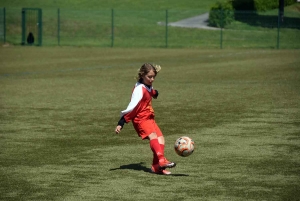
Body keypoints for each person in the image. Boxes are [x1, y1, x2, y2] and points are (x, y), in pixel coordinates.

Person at [115, 63, 176, 175]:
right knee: (153, 136)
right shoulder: (139, 90)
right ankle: (161, 160)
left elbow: (149, 91)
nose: (152, 79)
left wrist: (154, 93)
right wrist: (121, 122)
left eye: (154, 77)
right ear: (142, 75)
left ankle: (156, 166)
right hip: (140, 119)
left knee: (161, 139)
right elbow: (132, 107)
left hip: (149, 118)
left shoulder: (147, 85)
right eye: (150, 77)